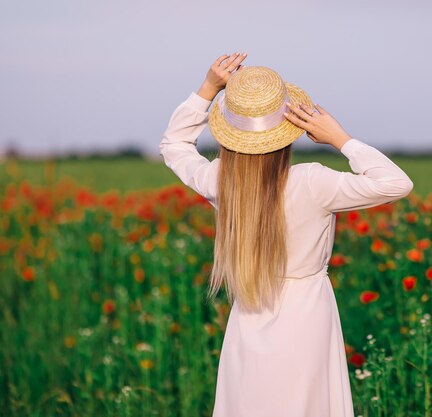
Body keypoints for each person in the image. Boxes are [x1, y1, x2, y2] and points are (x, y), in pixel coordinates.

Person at [159, 52, 413, 417]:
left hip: (248, 313)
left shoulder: (221, 181)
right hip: (307, 316)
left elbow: (174, 146)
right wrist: (340, 138)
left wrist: (207, 89)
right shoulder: (313, 181)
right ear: (288, 129)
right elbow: (396, 183)